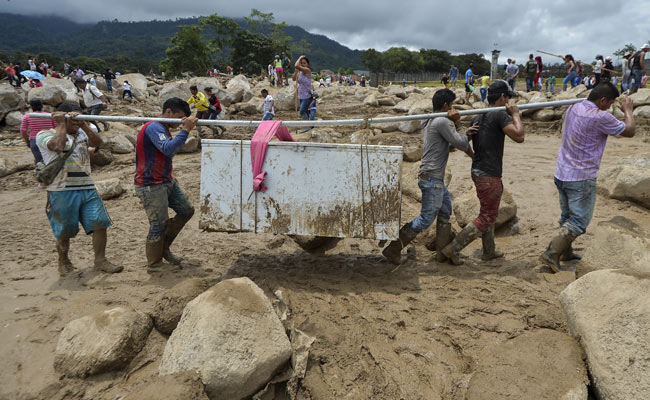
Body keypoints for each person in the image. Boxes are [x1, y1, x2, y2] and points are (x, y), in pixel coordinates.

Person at [540, 83, 635, 272]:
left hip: (562, 172)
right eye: (610, 102)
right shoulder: (600, 117)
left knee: (567, 216)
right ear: (602, 100)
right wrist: (628, 111)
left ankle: (565, 252)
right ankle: (550, 254)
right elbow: (630, 131)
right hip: (581, 177)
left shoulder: (574, 107)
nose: (610, 106)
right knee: (578, 221)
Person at [382, 89, 476, 265]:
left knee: (446, 210)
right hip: (432, 178)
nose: (454, 109)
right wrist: (459, 124)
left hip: (433, 177)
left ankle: (442, 253)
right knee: (425, 219)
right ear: (446, 105)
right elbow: (461, 144)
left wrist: (464, 134)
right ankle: (393, 249)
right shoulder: (442, 121)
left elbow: (448, 146)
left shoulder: (430, 119)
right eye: (452, 105)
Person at [441, 81, 524, 264]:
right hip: (489, 174)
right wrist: (516, 115)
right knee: (487, 216)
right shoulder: (500, 116)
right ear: (502, 97)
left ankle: (489, 250)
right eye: (508, 97)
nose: (509, 101)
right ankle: (453, 248)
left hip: (479, 171)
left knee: (488, 212)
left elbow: (464, 144)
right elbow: (519, 136)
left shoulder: (477, 116)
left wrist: (475, 157)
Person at [36, 103, 123, 276]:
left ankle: (100, 261)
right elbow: (58, 147)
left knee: (100, 223)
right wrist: (61, 124)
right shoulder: (44, 135)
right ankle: (63, 261)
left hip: (87, 187)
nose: (76, 121)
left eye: (79, 116)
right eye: (72, 118)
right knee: (65, 231)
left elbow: (99, 143)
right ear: (61, 117)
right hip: (61, 190)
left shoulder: (82, 132)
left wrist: (83, 124)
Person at [134, 98, 198, 271]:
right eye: (180, 117)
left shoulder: (163, 129)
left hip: (165, 181)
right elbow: (168, 149)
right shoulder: (154, 127)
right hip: (150, 184)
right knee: (158, 223)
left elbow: (164, 154)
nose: (180, 122)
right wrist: (186, 130)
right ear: (169, 112)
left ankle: (164, 249)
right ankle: (154, 264)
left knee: (186, 210)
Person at [20, 99, 56, 165]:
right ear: (42, 106)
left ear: (31, 107)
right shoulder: (50, 115)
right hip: (50, 139)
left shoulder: (27, 116)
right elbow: (56, 128)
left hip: (34, 140)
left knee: (40, 162)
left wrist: (27, 141)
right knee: (52, 160)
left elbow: (23, 130)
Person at [293, 55, 312, 121]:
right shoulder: (300, 72)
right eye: (301, 63)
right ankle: (309, 123)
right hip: (301, 94)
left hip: (307, 95)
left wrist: (300, 57)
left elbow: (296, 65)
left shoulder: (307, 70)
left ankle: (306, 124)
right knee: (306, 111)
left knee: (302, 111)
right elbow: (293, 79)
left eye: (304, 63)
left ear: (307, 64)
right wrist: (296, 72)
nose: (302, 64)